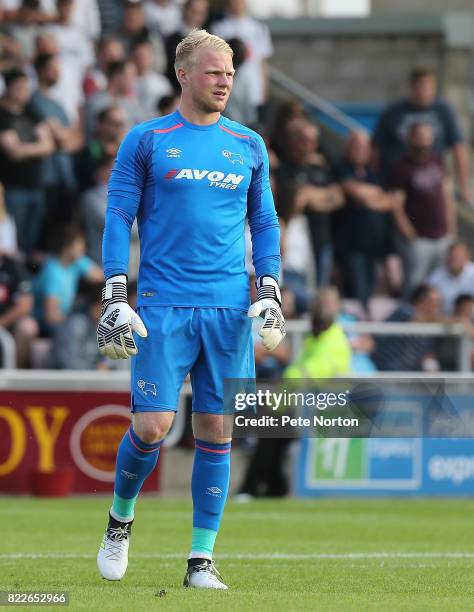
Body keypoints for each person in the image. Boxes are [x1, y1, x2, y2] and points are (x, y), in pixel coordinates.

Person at [95, 29, 285, 589]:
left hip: (228, 309)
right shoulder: (148, 139)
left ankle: (200, 560)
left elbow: (265, 221)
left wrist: (269, 287)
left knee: (216, 428)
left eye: (229, 72)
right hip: (163, 304)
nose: (225, 79)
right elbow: (117, 216)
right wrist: (114, 289)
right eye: (213, 71)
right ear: (183, 74)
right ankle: (120, 518)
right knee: (152, 427)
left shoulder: (248, 143)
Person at [373, 65, 471, 204]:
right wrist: (377, 182)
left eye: (429, 87)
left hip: (430, 183)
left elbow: (459, 147)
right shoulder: (393, 111)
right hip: (398, 182)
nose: (424, 91)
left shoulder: (443, 110)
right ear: (412, 87)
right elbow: (376, 149)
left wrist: (463, 187)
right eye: (420, 87)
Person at [389, 121, 456, 296]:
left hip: (442, 236)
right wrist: (410, 234)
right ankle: (411, 321)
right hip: (419, 238)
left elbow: (447, 196)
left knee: (440, 285)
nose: (424, 140)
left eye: (428, 136)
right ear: (411, 138)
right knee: (414, 285)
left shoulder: (438, 160)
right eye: (420, 136)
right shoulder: (401, 167)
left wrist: (451, 231)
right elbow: (396, 204)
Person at [336, 130, 403, 308]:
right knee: (356, 293)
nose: (361, 151)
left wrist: (371, 197)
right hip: (352, 246)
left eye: (365, 147)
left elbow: (391, 201)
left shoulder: (374, 173)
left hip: (374, 247)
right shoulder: (341, 167)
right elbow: (358, 193)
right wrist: (377, 196)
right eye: (357, 146)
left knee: (370, 294)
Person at [277, 118, 344, 286]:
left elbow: (338, 198)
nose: (309, 145)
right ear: (295, 141)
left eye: (313, 141)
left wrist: (311, 196)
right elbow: (295, 203)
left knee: (320, 286)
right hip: (296, 238)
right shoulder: (285, 169)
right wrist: (323, 196)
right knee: (297, 286)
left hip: (323, 237)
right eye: (305, 140)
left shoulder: (321, 168)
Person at [0, 67, 54, 254]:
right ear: (9, 89)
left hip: (36, 185)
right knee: (16, 238)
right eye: (19, 87)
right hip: (14, 187)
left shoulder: (32, 111)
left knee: (32, 240)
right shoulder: (3, 115)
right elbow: (13, 152)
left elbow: (48, 145)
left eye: (26, 87)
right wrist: (36, 147)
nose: (24, 92)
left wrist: (25, 148)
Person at [33, 224, 103, 335]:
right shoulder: (52, 271)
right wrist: (74, 323)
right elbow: (50, 316)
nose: (83, 247)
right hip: (46, 324)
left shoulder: (76, 261)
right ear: (67, 247)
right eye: (79, 243)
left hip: (67, 314)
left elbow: (102, 278)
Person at [212, 0, 273, 118]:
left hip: (255, 91)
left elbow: (262, 62)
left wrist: (264, 90)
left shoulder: (258, 28)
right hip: (231, 90)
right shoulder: (219, 28)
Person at [372, 284, 443, 371]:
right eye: (433, 302)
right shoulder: (404, 310)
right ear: (420, 300)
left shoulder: (432, 326)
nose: (436, 307)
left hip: (405, 376)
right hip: (381, 369)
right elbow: (419, 319)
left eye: (439, 303)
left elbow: (428, 356)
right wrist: (457, 321)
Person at [428, 240, 474, 313]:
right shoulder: (437, 275)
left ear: (467, 257)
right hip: (443, 318)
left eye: (458, 256)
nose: (454, 259)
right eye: (451, 255)